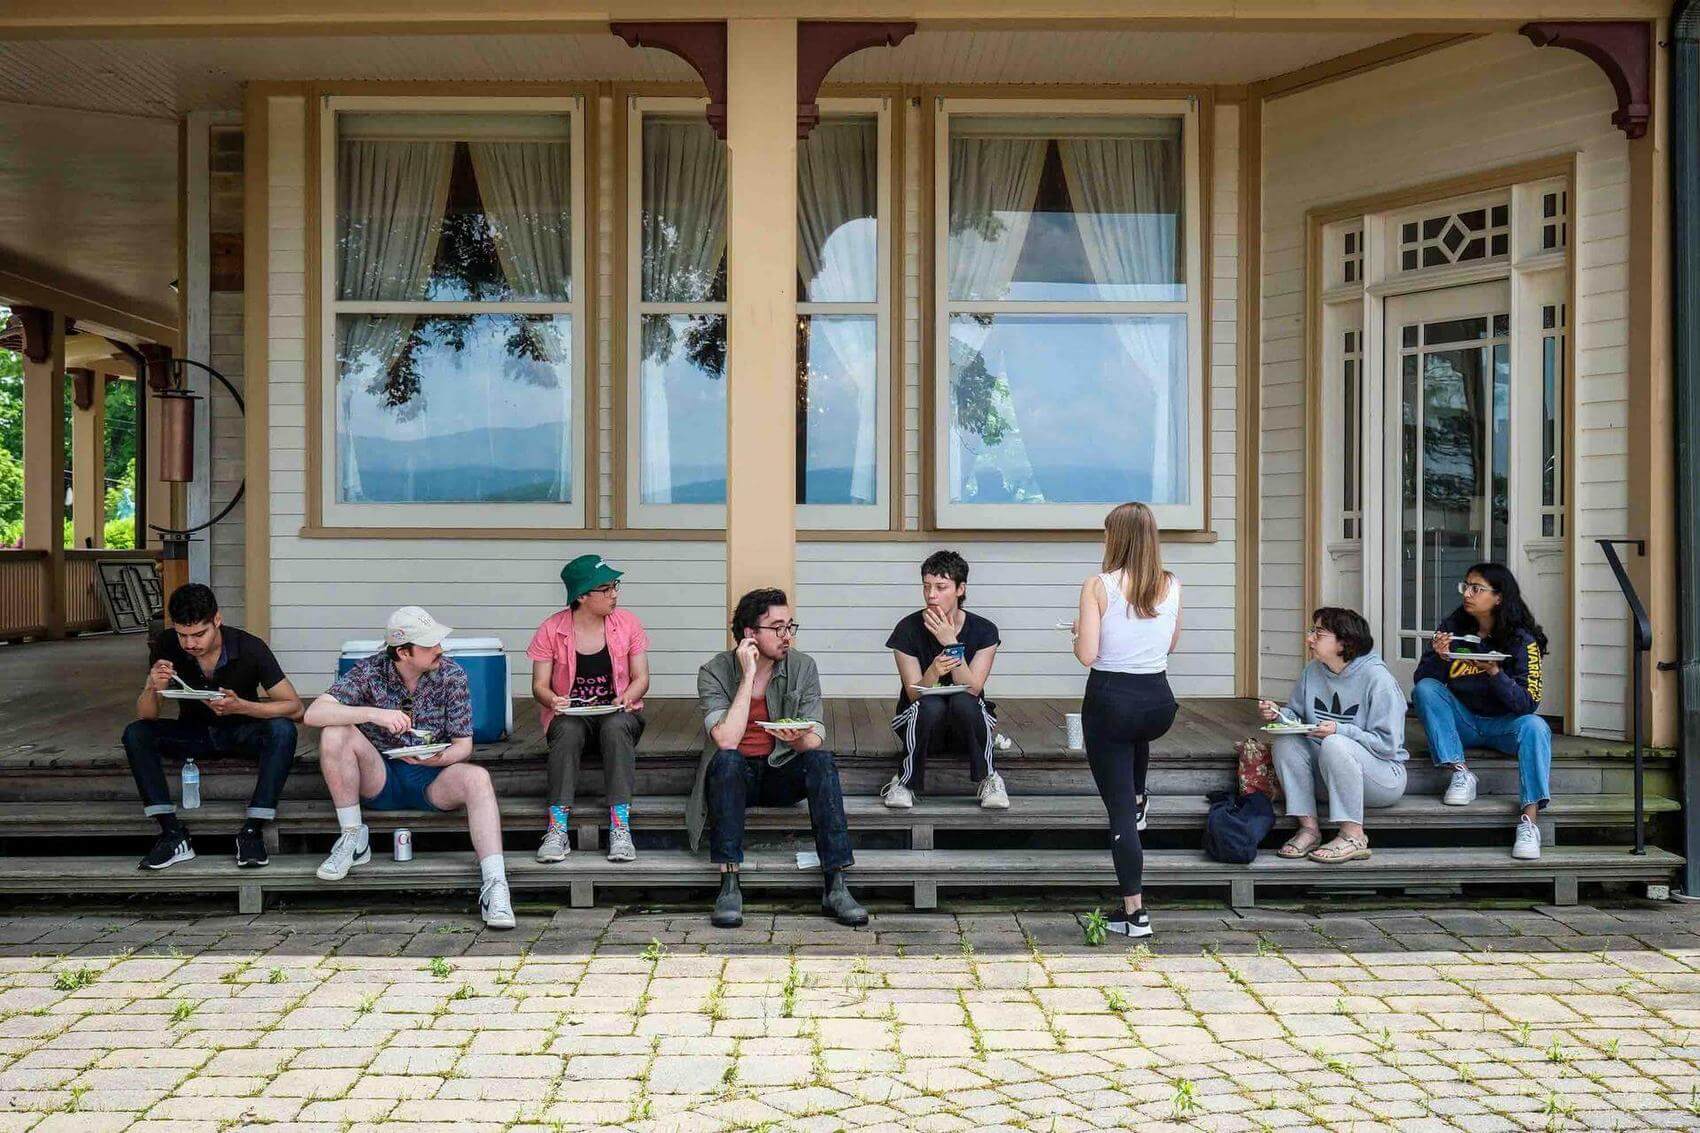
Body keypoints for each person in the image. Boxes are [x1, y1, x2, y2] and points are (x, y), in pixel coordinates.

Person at [303, 606, 514, 929]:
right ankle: (353, 838)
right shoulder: (371, 670)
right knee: (334, 732)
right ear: (403, 652)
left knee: (478, 778)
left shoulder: (451, 674)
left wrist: (435, 759)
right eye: (430, 645)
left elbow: (463, 746)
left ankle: (495, 885)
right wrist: (372, 714)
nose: (439, 649)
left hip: (433, 777)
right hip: (380, 775)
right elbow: (313, 714)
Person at [690, 587, 867, 929]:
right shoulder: (714, 671)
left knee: (821, 761)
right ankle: (729, 884)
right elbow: (726, 740)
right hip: (735, 778)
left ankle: (836, 883)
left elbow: (815, 737)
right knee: (726, 761)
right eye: (777, 628)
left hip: (781, 771)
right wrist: (748, 676)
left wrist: (797, 737)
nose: (787, 636)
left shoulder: (803, 666)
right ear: (750, 634)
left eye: (790, 626)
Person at [122, 583, 304, 871]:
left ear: (217, 620)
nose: (190, 643)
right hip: (194, 734)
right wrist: (152, 687)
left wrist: (242, 706)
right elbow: (147, 715)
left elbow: (295, 708)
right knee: (136, 733)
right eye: (183, 635)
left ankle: (252, 830)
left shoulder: (249, 647)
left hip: (242, 732)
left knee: (283, 730)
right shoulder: (166, 645)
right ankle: (172, 833)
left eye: (198, 634)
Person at [1071, 502, 1181, 939]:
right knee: (1135, 740)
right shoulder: (1172, 584)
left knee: (1119, 815)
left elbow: (1088, 655)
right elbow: (1170, 644)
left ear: (1115, 538)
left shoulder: (1098, 585)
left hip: (1112, 701)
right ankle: (1138, 796)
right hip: (1158, 703)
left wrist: (1076, 635)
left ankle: (1135, 914)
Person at [1412, 562, 1552, 860]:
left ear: (1498, 597)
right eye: (1466, 586)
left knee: (1536, 726)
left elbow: (1528, 703)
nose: (1468, 594)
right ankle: (1460, 773)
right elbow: (1423, 683)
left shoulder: (1522, 640)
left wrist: (1495, 673)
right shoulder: (1453, 627)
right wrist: (1438, 657)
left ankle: (1529, 822)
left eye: (1477, 588)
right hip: (1464, 721)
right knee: (1425, 689)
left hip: (1505, 726)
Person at [526, 554, 650, 864]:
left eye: (615, 586)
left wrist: (627, 697)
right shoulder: (552, 629)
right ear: (581, 596)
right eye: (606, 589)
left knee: (616, 726)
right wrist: (552, 700)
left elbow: (641, 678)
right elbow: (539, 685)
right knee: (566, 730)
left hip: (617, 714)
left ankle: (620, 827)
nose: (614, 594)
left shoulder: (628, 623)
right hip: (572, 716)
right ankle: (557, 828)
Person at [1260, 607, 1408, 863]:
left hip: (1381, 778)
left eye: (1318, 633)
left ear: (1344, 642)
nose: (1309, 639)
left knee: (1336, 743)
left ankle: (1353, 836)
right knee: (1286, 742)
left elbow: (1387, 745)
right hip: (1328, 775)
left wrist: (1341, 730)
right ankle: (1309, 829)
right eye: (1312, 631)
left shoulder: (1378, 679)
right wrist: (1278, 715)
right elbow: (1297, 717)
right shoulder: (1312, 671)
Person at [881, 550, 1007, 810]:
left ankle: (990, 779)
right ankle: (904, 782)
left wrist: (951, 644)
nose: (931, 595)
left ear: (960, 589)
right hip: (921, 722)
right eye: (926, 586)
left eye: (941, 587)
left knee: (963, 701)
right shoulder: (907, 629)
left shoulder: (985, 631)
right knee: (930, 704)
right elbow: (914, 694)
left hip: (967, 722)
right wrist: (934, 671)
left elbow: (973, 689)